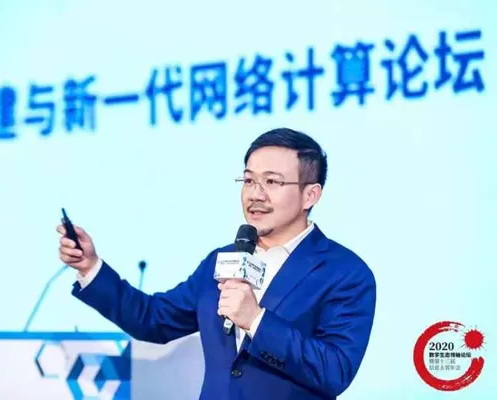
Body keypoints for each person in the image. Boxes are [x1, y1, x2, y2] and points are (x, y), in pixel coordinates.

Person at [57, 127, 376, 400]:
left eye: (272, 182)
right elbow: (153, 319)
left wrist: (255, 320)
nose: (256, 195)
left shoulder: (344, 273)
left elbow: (334, 370)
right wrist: (90, 267)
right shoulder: (223, 259)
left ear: (311, 195)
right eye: (248, 180)